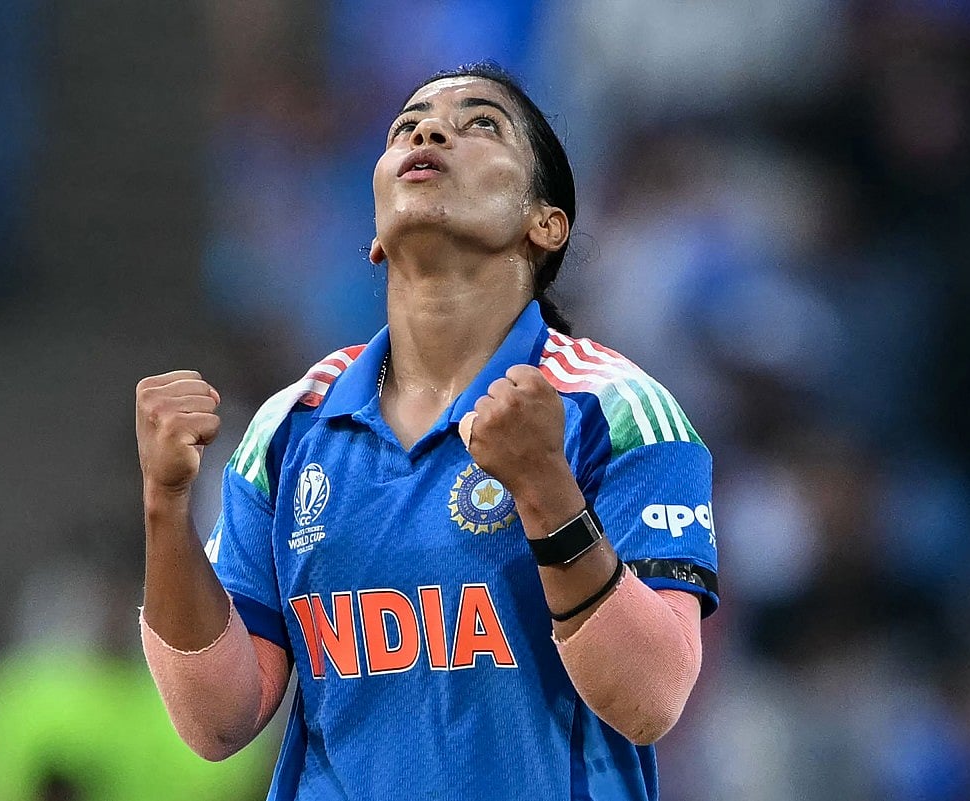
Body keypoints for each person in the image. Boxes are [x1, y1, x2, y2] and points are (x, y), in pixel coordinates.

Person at [135, 62, 719, 800]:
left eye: (482, 125)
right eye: (406, 127)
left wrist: (545, 488)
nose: (430, 133)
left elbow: (651, 697)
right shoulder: (290, 426)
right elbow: (216, 721)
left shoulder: (617, 409)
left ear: (546, 224)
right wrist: (165, 508)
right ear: (377, 232)